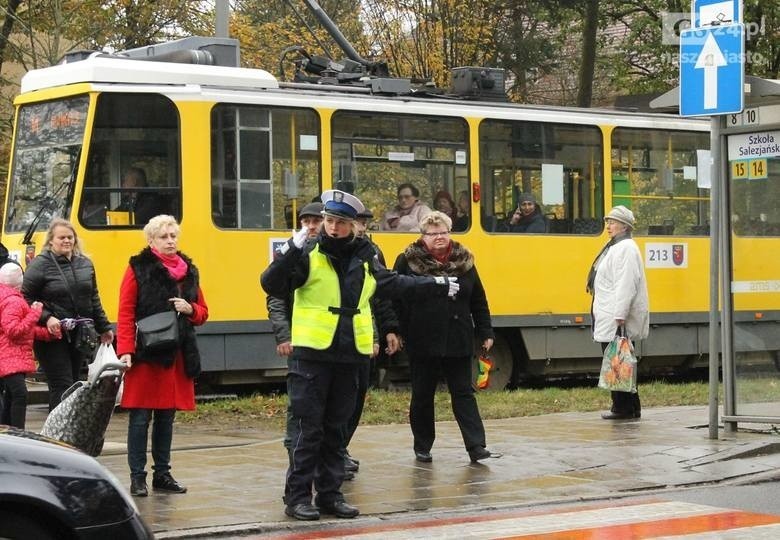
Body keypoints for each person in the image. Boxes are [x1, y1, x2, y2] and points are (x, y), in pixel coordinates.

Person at [261, 189, 458, 522]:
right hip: (312, 355)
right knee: (309, 430)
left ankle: (329, 494)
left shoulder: (365, 254)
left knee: (337, 429)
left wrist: (435, 284)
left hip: (351, 353)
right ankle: (297, 497)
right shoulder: (307, 252)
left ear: (354, 225)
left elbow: (393, 285)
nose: (334, 228)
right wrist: (291, 250)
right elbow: (271, 284)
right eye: (329, 221)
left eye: (341, 222)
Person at [393, 211, 500, 464]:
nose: (439, 237)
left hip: (457, 337)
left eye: (443, 232)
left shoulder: (465, 260)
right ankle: (422, 446)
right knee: (422, 394)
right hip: (422, 338)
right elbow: (395, 297)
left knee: (463, 393)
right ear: (423, 237)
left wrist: (485, 330)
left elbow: (478, 298)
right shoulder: (407, 261)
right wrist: (396, 330)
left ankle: (476, 446)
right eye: (433, 234)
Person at [117, 214, 209, 497]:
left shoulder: (189, 270)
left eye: (173, 236)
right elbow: (125, 311)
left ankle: (163, 474)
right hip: (147, 354)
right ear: (151, 240)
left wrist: (190, 309)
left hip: (177, 355)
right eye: (164, 237)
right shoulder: (138, 267)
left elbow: (204, 313)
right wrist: (125, 351)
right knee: (140, 417)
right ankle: (137, 476)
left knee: (166, 417)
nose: (170, 241)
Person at [22, 218, 114, 411]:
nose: (67, 241)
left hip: (80, 334)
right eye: (62, 237)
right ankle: (55, 436)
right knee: (62, 384)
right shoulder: (40, 265)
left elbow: (93, 298)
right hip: (52, 337)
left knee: (73, 383)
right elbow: (25, 299)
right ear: (51, 241)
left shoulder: (85, 264)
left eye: (70, 237)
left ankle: (68, 433)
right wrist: (47, 317)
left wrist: (104, 327)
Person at [342, 209, 401, 477]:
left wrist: (388, 329)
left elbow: (381, 296)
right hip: (340, 338)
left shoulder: (372, 252)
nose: (361, 227)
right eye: (357, 222)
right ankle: (334, 452)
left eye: (364, 223)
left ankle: (341, 448)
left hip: (367, 335)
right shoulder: (333, 251)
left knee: (356, 399)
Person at [586, 205, 649, 420]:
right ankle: (629, 407)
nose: (608, 226)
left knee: (618, 360)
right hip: (609, 313)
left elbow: (626, 283)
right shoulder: (616, 246)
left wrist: (620, 314)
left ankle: (623, 408)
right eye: (608, 222)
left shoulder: (626, 248)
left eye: (612, 222)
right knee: (617, 359)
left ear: (624, 226)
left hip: (616, 316)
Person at [0, 263, 58, 428]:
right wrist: (35, 313)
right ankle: (18, 432)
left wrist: (49, 334)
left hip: (9, 355)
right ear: (20, 281)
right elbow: (14, 331)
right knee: (19, 394)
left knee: (11, 395)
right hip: (10, 356)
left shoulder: (7, 298)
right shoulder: (13, 301)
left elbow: (25, 330)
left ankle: (6, 431)